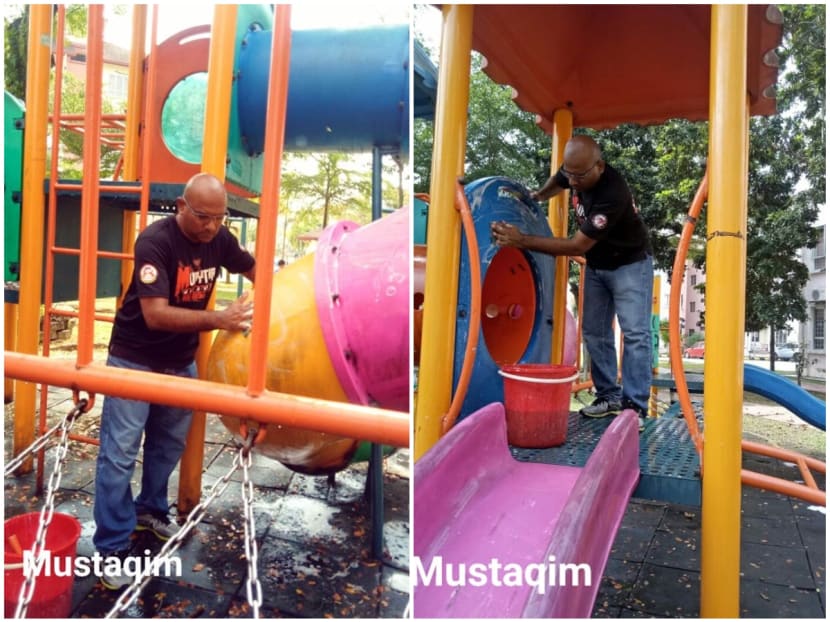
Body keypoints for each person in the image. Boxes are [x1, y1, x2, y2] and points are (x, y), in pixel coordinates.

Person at [93, 172, 256, 588]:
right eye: (203, 216)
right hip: (134, 359)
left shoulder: (219, 239)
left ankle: (149, 510)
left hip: (179, 361)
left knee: (168, 445)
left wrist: (290, 284)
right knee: (119, 454)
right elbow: (156, 314)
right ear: (181, 206)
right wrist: (219, 318)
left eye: (220, 218)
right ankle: (111, 547)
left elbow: (255, 269)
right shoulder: (155, 242)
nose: (212, 226)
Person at [491, 135, 653, 431]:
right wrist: (540, 195)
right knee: (593, 331)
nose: (573, 181)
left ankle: (634, 407)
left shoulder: (612, 194)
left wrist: (521, 240)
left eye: (580, 175)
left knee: (635, 334)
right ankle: (608, 397)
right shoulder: (574, 172)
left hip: (630, 264)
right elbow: (560, 179)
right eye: (570, 173)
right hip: (598, 264)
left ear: (599, 167)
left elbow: (576, 246)